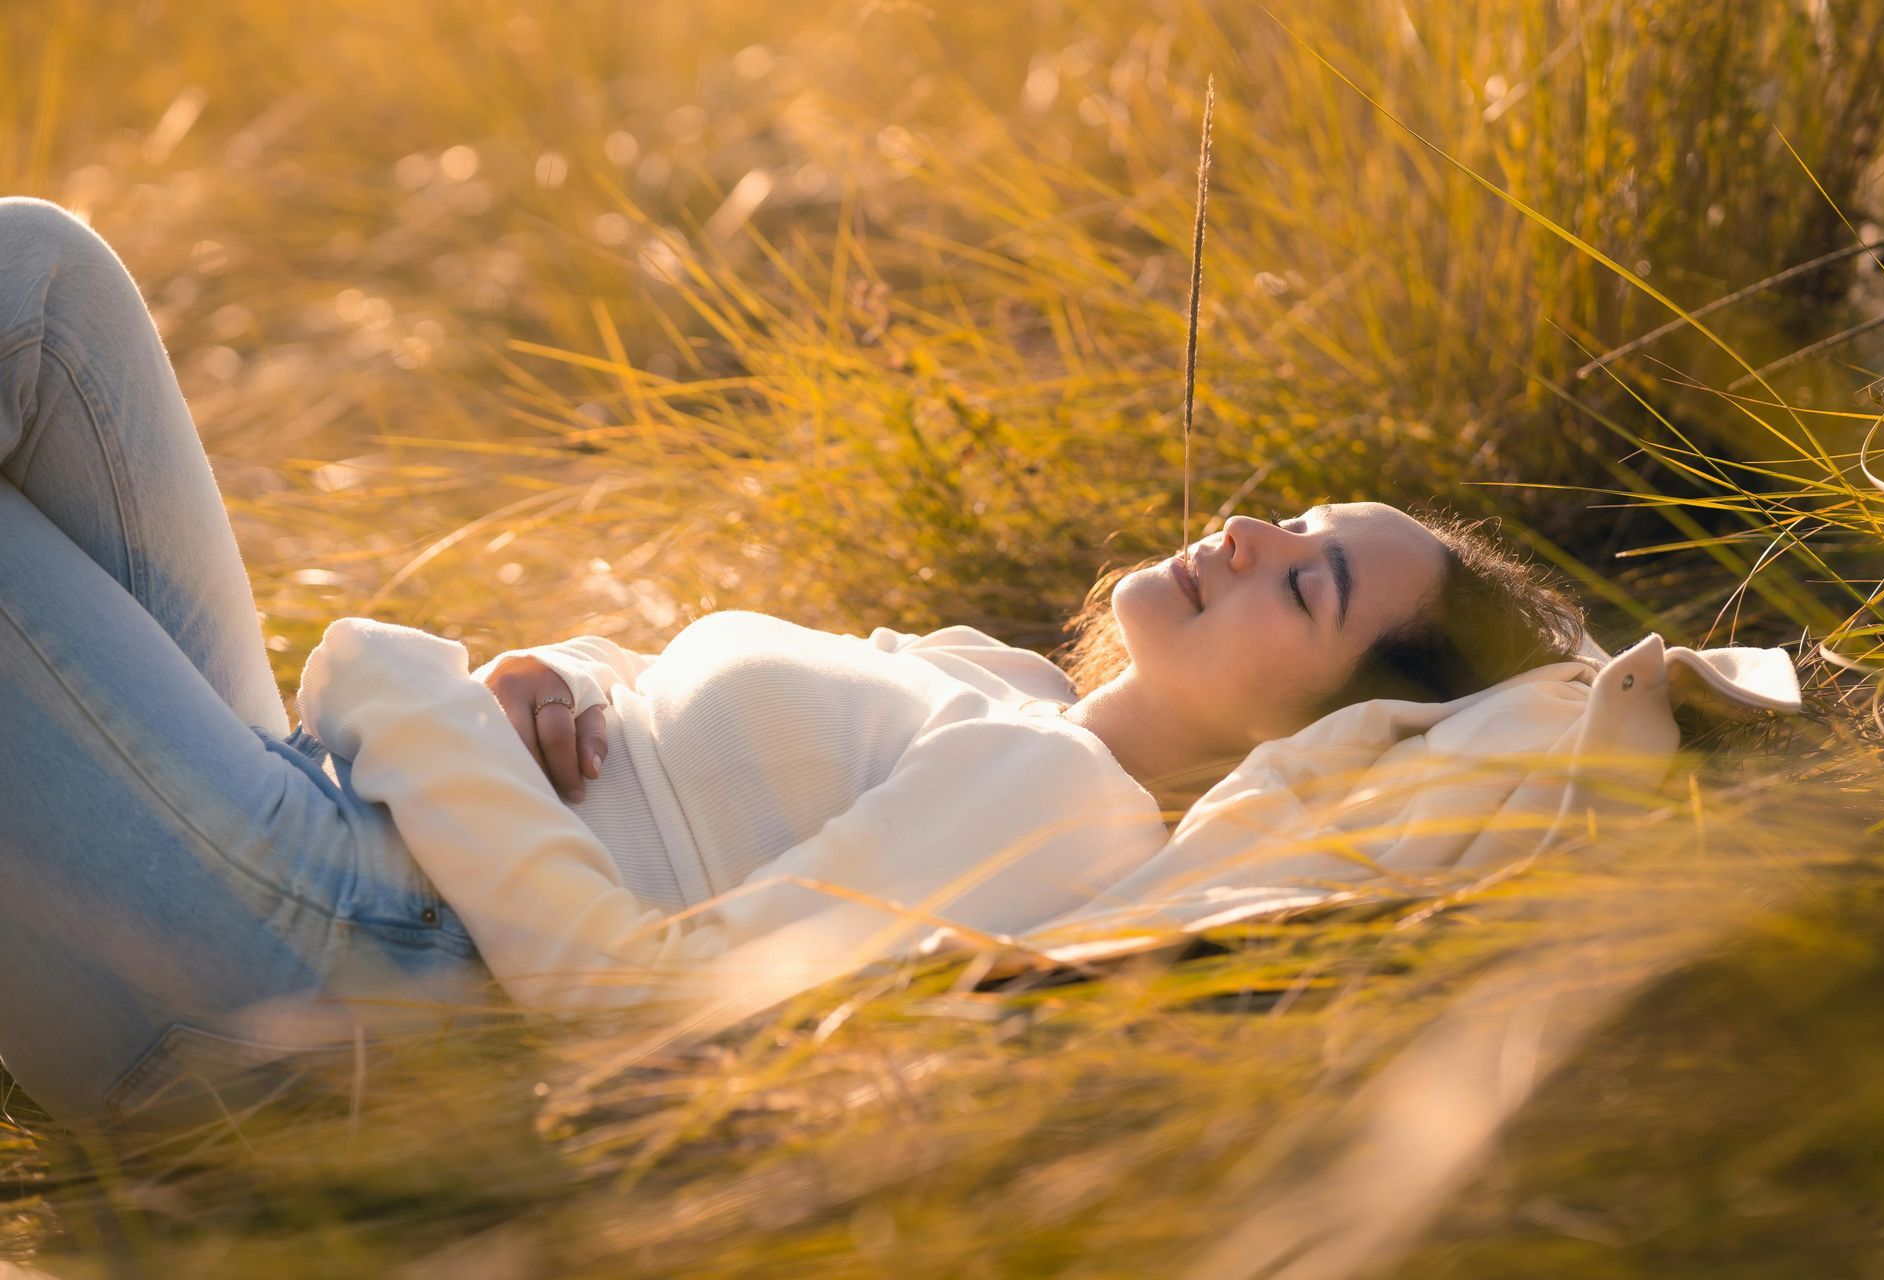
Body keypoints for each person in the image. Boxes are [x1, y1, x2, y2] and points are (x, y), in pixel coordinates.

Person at [0, 198, 1584, 1127]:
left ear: (1299, 736)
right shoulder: (1004, 687)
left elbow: (651, 1011)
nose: (1245, 530)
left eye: (1305, 587)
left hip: (325, 981)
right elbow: (663, 725)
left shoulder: (1061, 803)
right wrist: (536, 672)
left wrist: (406, 698)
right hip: (318, 829)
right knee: (50, 284)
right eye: (1287, 516)